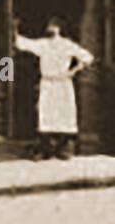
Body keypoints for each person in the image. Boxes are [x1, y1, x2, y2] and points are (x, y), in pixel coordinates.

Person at [14, 17, 94, 160]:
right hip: (48, 83)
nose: (50, 28)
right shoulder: (44, 45)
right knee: (46, 115)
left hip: (62, 83)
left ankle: (61, 149)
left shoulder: (67, 45)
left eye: (54, 26)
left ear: (59, 29)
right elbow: (23, 44)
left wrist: (73, 70)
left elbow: (87, 57)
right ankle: (46, 149)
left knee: (63, 115)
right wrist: (13, 28)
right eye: (49, 26)